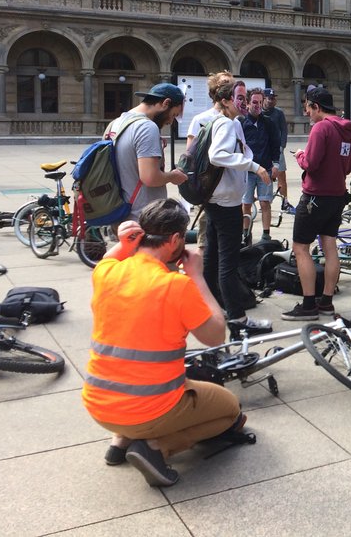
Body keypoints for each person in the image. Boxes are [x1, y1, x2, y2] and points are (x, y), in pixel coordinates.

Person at [82, 198, 244, 487]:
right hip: (151, 409)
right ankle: (155, 447)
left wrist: (124, 243)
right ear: (175, 240)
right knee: (230, 410)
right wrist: (197, 276)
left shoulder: (106, 272)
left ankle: (121, 440)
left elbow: (111, 255)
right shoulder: (175, 285)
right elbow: (216, 336)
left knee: (172, 385)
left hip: (97, 405)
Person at [201, 74, 272, 335]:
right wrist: (254, 166)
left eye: (244, 98)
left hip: (216, 199)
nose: (243, 103)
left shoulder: (222, 122)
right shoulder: (226, 125)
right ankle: (239, 321)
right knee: (227, 265)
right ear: (225, 100)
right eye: (239, 98)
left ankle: (211, 308)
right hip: (226, 203)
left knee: (211, 259)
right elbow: (217, 156)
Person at [281, 86, 351, 321]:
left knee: (301, 248)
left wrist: (300, 156)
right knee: (330, 246)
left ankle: (308, 305)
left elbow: (311, 164)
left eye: (307, 107)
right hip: (337, 196)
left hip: (315, 197)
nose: (306, 112)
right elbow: (348, 166)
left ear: (316, 106)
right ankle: (326, 302)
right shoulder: (349, 131)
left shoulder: (321, 128)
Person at [107, 83, 188, 220]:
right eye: (173, 115)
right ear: (165, 103)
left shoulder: (117, 122)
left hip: (120, 213)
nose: (170, 121)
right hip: (142, 216)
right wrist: (173, 176)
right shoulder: (147, 127)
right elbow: (150, 178)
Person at [239, 87, 281, 244]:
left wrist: (276, 164)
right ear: (248, 103)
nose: (257, 105)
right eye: (254, 102)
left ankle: (266, 235)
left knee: (265, 203)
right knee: (246, 203)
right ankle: (245, 234)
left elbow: (275, 145)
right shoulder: (241, 123)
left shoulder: (268, 123)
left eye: (260, 102)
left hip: (265, 170)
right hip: (247, 171)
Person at [186, 72, 232, 151]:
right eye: (224, 85)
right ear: (215, 89)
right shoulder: (200, 119)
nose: (230, 90)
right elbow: (190, 152)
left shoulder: (237, 121)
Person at [262, 88, 290, 203]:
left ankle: (285, 201)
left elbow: (284, 130)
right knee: (264, 176)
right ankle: (265, 200)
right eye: (270, 98)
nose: (272, 101)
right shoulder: (259, 113)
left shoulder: (279, 113)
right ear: (264, 99)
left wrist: (282, 146)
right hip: (264, 149)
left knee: (281, 176)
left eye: (274, 98)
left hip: (277, 149)